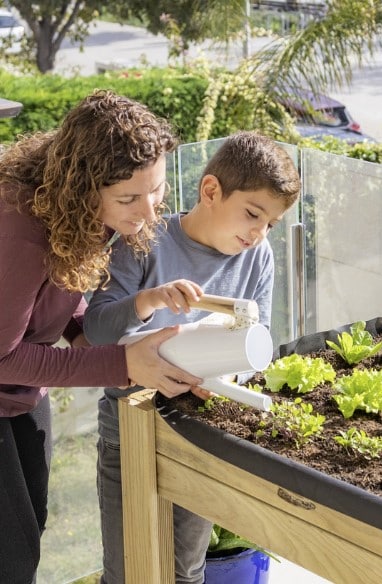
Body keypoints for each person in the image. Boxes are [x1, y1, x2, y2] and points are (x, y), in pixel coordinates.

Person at [0, 89, 205, 584]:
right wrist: (122, 362)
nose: (150, 212)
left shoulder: (83, 214)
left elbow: (54, 300)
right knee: (10, 561)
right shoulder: (20, 230)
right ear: (81, 186)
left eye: (155, 190)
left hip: (24, 397)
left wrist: (115, 336)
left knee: (26, 542)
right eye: (129, 198)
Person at [83, 130, 301, 584]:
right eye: (253, 214)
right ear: (210, 191)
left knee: (186, 571)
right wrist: (150, 300)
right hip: (129, 432)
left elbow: (260, 342)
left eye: (271, 225)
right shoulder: (144, 242)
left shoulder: (257, 256)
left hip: (200, 437)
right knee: (128, 572)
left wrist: (231, 379)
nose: (259, 233)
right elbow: (96, 330)